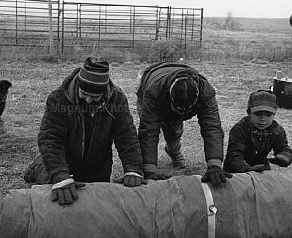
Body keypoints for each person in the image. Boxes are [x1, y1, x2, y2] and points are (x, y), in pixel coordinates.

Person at [23, 57, 146, 205]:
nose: (88, 100)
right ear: (78, 86)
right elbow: (50, 138)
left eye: (94, 97)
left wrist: (133, 168)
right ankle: (38, 167)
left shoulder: (117, 100)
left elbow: (126, 136)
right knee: (56, 201)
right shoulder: (58, 99)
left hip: (98, 164)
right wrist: (60, 175)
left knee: (96, 205)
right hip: (64, 161)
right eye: (84, 94)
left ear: (104, 93)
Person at [136, 61, 231, 187]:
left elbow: (212, 127)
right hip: (150, 82)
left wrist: (215, 164)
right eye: (178, 109)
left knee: (174, 131)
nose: (181, 114)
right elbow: (148, 132)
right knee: (152, 129)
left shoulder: (206, 92)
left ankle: (173, 151)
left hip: (170, 93)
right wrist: (149, 171)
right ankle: (145, 163)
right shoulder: (153, 92)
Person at [223, 89, 292, 173]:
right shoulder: (240, 129)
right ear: (249, 113)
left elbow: (283, 148)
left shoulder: (276, 130)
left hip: (261, 168)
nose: (263, 119)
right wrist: (247, 170)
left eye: (268, 115)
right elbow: (234, 155)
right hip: (236, 171)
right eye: (258, 114)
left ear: (274, 114)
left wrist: (284, 156)